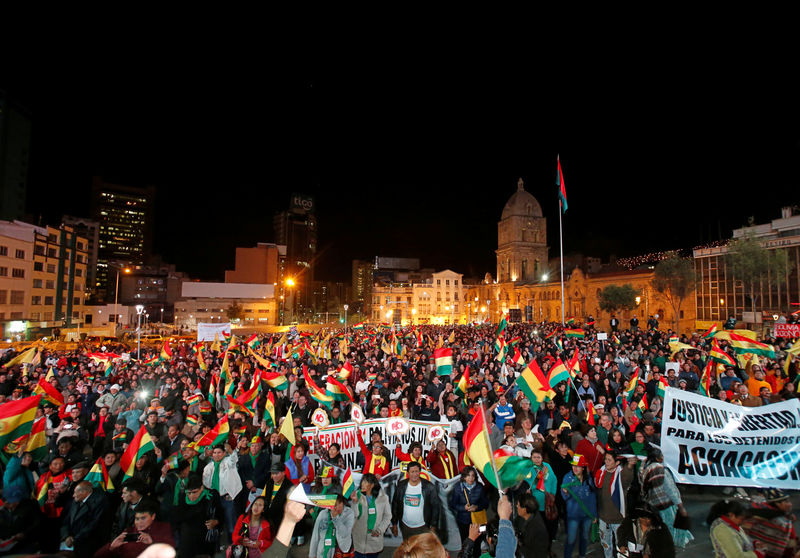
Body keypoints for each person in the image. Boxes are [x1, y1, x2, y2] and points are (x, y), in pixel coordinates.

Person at [638, 447, 693, 549]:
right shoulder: (660, 469)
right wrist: (680, 506)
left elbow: (643, 486)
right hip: (666, 505)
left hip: (653, 505)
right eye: (661, 456)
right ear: (658, 458)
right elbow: (670, 489)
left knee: (660, 528)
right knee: (671, 527)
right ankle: (670, 546)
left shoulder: (645, 469)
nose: (663, 458)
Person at [96, 500, 175, 558]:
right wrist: (111, 547)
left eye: (143, 518)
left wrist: (152, 542)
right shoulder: (129, 531)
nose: (139, 522)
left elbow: (172, 551)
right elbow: (97, 556)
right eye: (137, 519)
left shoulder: (164, 528)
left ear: (153, 516)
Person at [595, 452, 636, 558]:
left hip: (618, 520)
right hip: (603, 518)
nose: (606, 462)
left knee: (621, 547)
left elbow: (627, 477)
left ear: (617, 462)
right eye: (605, 459)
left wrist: (630, 465)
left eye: (609, 460)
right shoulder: (601, 473)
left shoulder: (621, 476)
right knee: (606, 545)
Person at [174, 474, 224, 558]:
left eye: (194, 492)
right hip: (188, 538)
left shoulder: (211, 497)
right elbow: (177, 519)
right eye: (188, 493)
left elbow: (221, 514)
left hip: (206, 539)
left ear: (201, 488)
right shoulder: (182, 498)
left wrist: (216, 521)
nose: (191, 496)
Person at [202, 443, 242, 543]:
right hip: (214, 497)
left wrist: (231, 451)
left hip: (227, 497)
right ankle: (216, 544)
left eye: (219, 452)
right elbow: (205, 482)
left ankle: (232, 544)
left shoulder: (228, 462)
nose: (217, 455)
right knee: (216, 520)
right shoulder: (208, 467)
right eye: (215, 453)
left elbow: (234, 460)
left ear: (224, 453)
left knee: (230, 523)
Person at [391, 461, 441, 540]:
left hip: (423, 527)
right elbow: (395, 504)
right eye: (412, 472)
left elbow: (435, 507)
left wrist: (433, 525)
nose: (415, 474)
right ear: (408, 473)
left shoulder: (429, 486)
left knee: (422, 550)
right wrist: (394, 523)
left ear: (420, 472)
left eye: (417, 471)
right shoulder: (401, 485)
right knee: (408, 550)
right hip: (405, 526)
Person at [60, 480, 110, 558]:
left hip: (90, 543)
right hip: (75, 542)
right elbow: (67, 520)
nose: (73, 495)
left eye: (75, 492)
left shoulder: (100, 501)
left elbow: (94, 524)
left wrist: (75, 539)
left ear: (84, 492)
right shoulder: (76, 501)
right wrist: (66, 536)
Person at [742, 489, 798, 558]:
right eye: (786, 502)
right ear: (777, 503)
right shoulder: (782, 522)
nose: (790, 504)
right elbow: (790, 544)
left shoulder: (754, 513)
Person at [448, 466, 489, 558]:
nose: (471, 478)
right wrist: (464, 508)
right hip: (463, 521)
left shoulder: (479, 487)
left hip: (478, 521)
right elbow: (453, 504)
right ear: (464, 477)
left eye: (473, 476)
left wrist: (477, 507)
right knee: (466, 542)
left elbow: (485, 503)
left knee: (478, 542)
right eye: (468, 476)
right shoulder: (458, 488)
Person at [561, 454, 597, 558]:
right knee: (571, 538)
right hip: (573, 515)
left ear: (583, 467)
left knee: (585, 537)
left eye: (578, 466)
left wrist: (594, 514)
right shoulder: (567, 478)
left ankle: (582, 555)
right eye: (573, 466)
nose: (575, 468)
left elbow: (592, 497)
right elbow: (565, 497)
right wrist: (566, 493)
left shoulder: (588, 479)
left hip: (587, 515)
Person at [351, 473, 392, 558]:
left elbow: (387, 516)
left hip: (374, 540)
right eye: (362, 481)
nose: (363, 484)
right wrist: (355, 503)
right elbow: (354, 516)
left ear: (372, 485)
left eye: (366, 482)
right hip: (359, 539)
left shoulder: (383, 498)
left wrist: (379, 530)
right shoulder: (357, 495)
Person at [0, 485, 42, 555]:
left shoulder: (30, 506)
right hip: (10, 543)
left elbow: (38, 523)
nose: (9, 505)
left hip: (28, 541)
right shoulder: (3, 511)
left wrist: (24, 533)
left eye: (10, 503)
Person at [514, 492, 549, 558]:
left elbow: (539, 554)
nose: (516, 506)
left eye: (518, 505)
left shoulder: (539, 529)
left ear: (525, 510)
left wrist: (520, 546)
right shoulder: (521, 518)